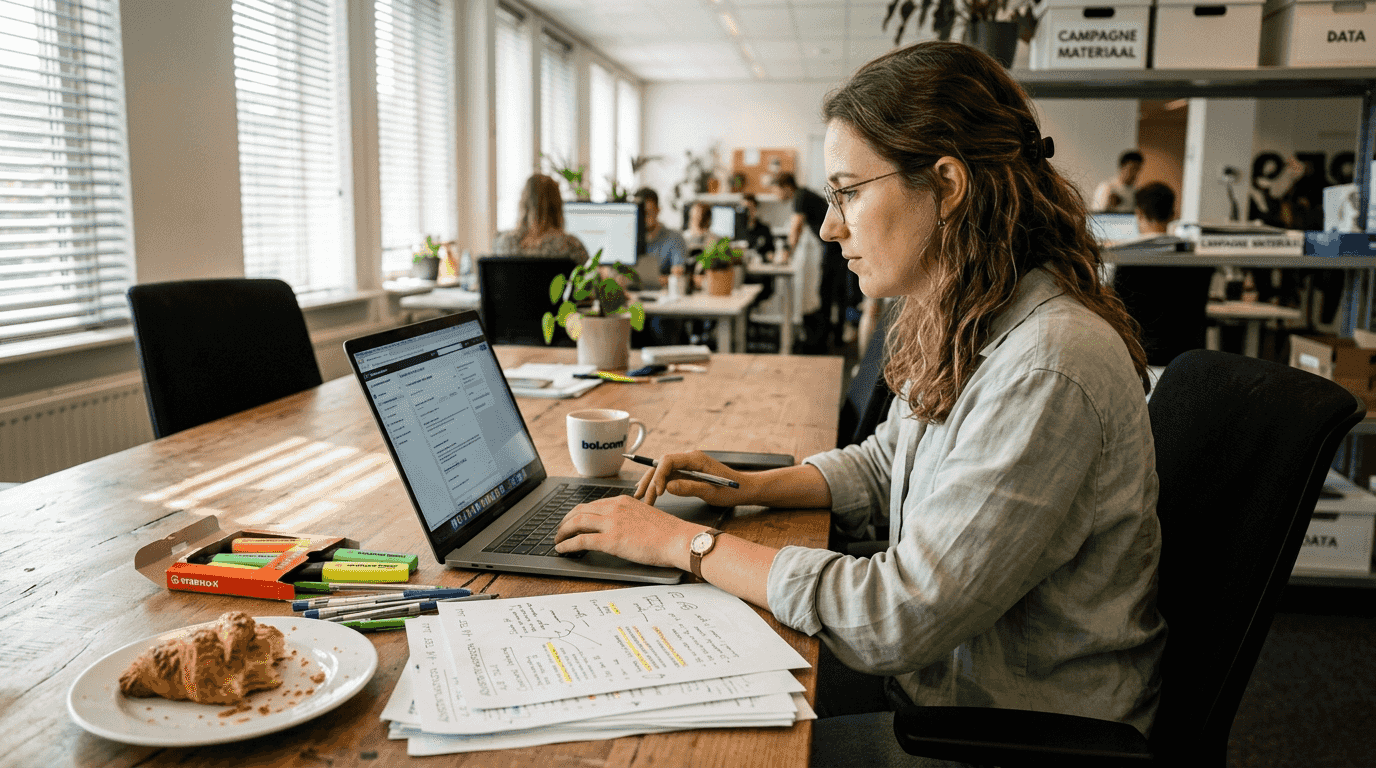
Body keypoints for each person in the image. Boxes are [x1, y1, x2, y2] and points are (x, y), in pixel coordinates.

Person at [555, 41, 1164, 768]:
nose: (828, 225)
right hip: (943, 685)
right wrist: (746, 486)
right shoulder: (971, 311)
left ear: (947, 183)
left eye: (848, 191)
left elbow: (897, 616)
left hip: (1007, 736)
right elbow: (886, 464)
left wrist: (684, 544)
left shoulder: (1047, 364)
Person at [777, 171, 856, 347]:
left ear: (786, 187)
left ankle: (826, 340)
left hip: (836, 248)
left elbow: (795, 228)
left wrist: (787, 253)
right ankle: (833, 337)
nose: (776, 195)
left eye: (777, 190)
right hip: (835, 247)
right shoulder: (803, 194)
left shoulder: (800, 196)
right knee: (833, 292)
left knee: (828, 293)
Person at [490, 174, 590, 263]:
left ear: (523, 203)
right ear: (557, 206)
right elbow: (590, 282)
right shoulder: (571, 246)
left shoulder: (502, 243)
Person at [741, 193, 775, 260]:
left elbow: (771, 251)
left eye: (749, 208)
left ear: (755, 209)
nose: (746, 212)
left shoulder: (764, 229)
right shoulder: (735, 229)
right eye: (744, 209)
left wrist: (769, 256)